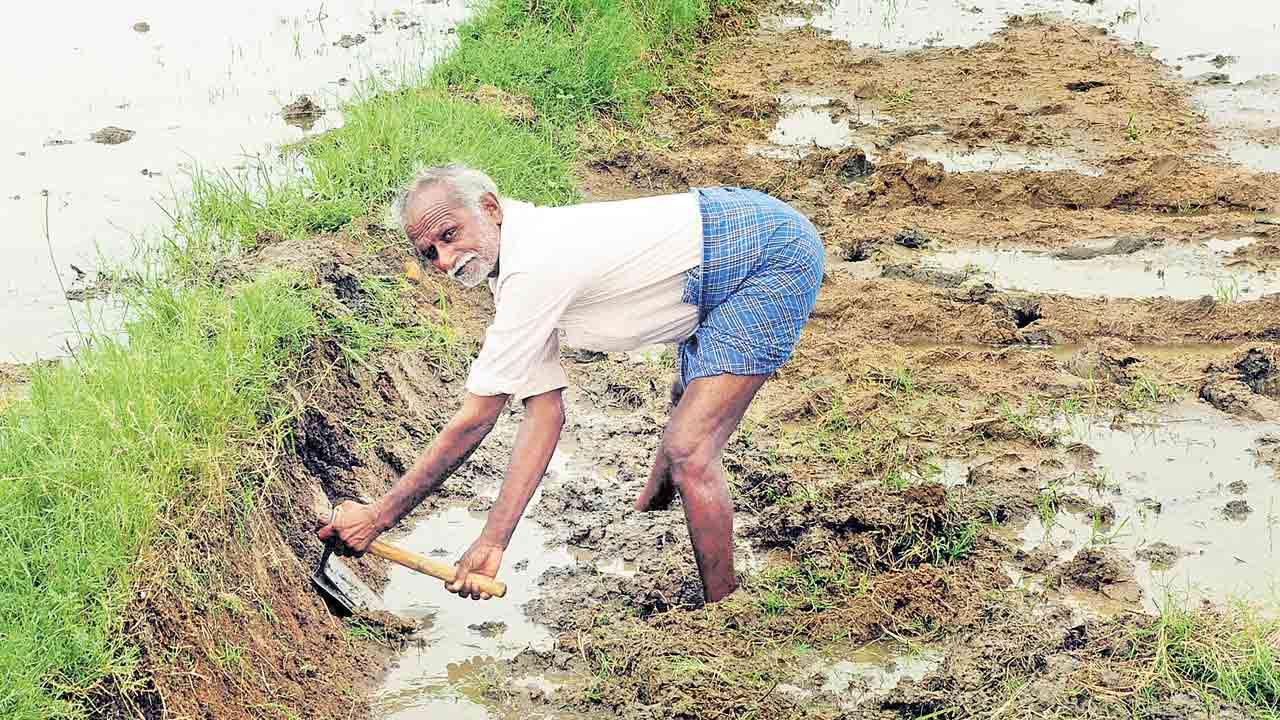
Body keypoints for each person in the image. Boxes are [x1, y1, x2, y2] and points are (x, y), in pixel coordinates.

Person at [316, 163, 824, 603]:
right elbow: (544, 414)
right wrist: (495, 540)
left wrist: (380, 516)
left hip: (767, 255)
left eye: (449, 236)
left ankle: (723, 609)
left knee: (692, 449)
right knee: (687, 404)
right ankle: (658, 496)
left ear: (490, 208)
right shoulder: (513, 269)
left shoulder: (535, 264)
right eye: (429, 253)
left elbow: (476, 420)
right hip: (711, 253)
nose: (445, 262)